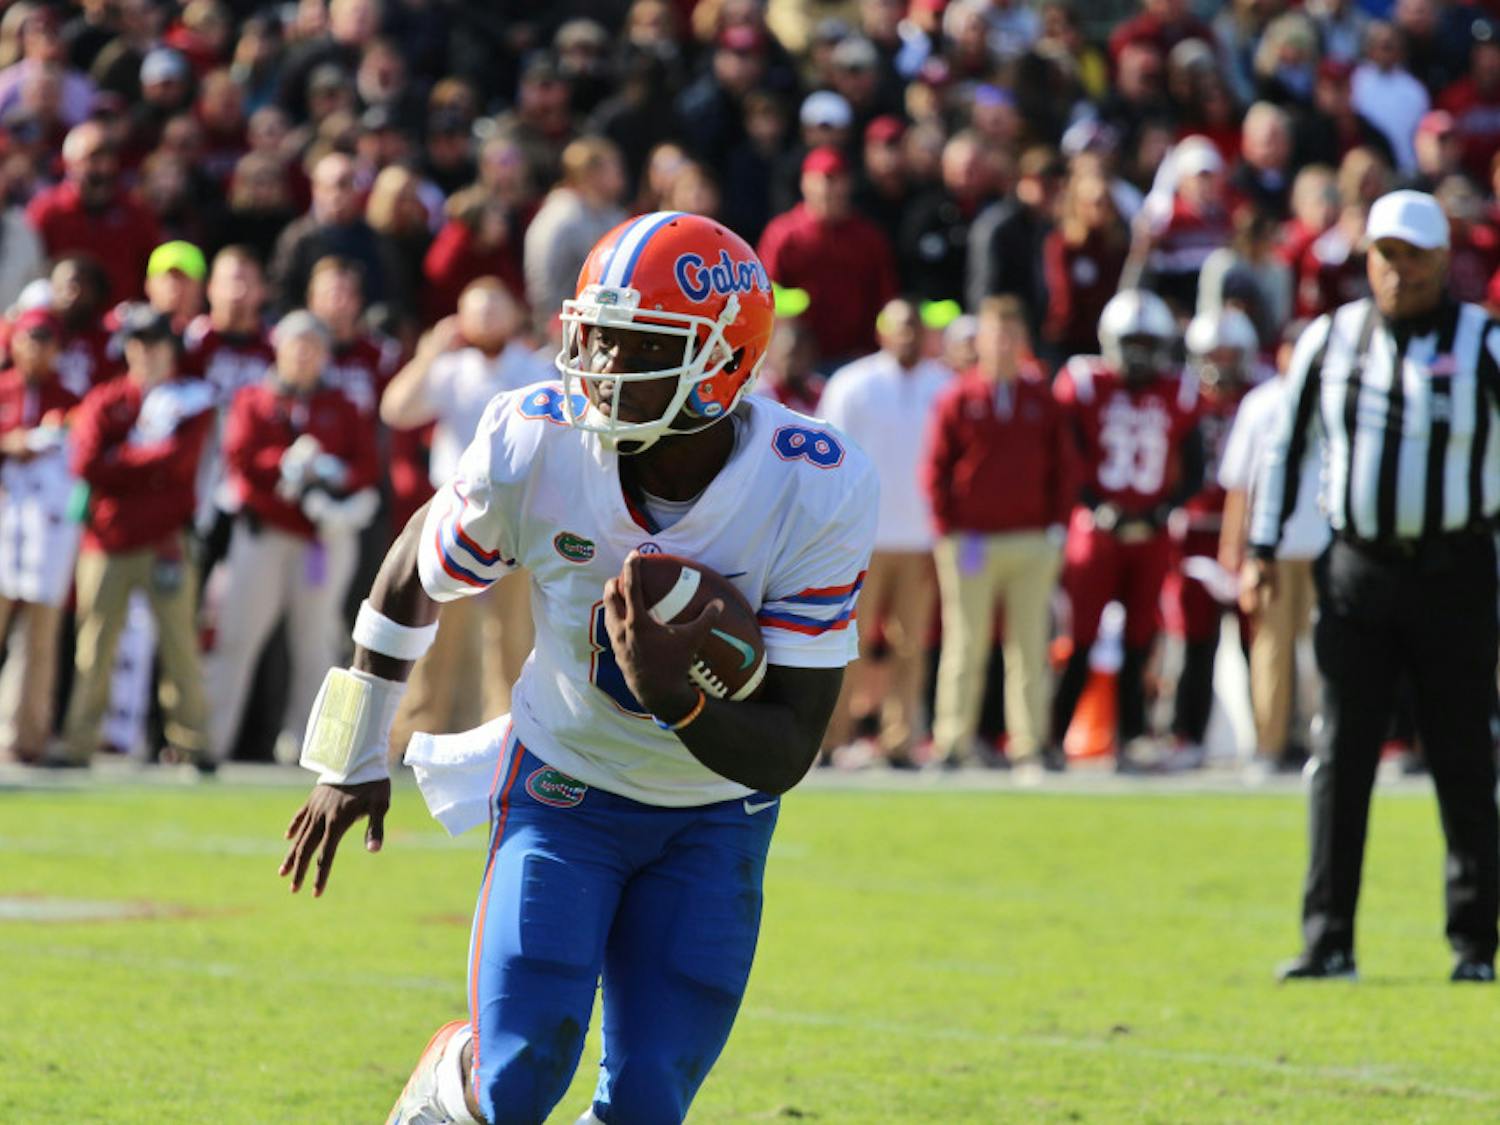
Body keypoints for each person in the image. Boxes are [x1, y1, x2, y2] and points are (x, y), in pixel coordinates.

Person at [276, 213, 876, 1124]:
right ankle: (449, 1077)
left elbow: (788, 745)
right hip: (565, 786)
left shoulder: (815, 483)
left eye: (632, 343)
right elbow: (412, 570)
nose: (595, 363)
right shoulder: (537, 438)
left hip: (715, 817)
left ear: (719, 363)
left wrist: (677, 700)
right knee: (518, 1077)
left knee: (647, 1099)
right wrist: (352, 749)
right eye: (591, 332)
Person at [1246, 189, 1500, 983]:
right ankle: (1329, 939)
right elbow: (1286, 446)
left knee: (1461, 756)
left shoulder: (1484, 339)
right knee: (1340, 753)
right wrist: (1261, 545)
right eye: (1386, 255)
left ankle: (1474, 944)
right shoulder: (1333, 337)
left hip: (1455, 569)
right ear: (1369, 260)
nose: (1398, 272)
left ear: (1442, 261)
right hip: (1357, 571)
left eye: (1413, 257)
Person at [203, 311, 379, 767]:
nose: (303, 355)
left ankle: (311, 748)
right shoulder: (254, 399)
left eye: (313, 347)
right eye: (295, 345)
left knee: (317, 644)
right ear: (278, 350)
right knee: (236, 638)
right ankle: (209, 741)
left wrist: (330, 478)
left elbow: (364, 465)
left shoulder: (340, 405)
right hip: (263, 534)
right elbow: (240, 458)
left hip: (320, 538)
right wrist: (285, 464)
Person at [380, 278, 549, 746]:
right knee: (435, 633)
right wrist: (428, 353)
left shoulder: (537, 370)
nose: (488, 316)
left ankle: (510, 735)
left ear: (516, 313)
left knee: (514, 635)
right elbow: (396, 409)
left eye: (497, 305)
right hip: (456, 513)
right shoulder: (451, 368)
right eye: (478, 307)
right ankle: (414, 735)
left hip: (518, 515)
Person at [1051, 289, 1203, 770]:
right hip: (1096, 529)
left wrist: (1162, 512)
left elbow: (1195, 465)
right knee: (1080, 636)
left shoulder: (1178, 389)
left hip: (1151, 533)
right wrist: (1095, 506)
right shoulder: (1084, 381)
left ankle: (1133, 735)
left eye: (1146, 341)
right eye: (1130, 341)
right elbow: (1066, 453)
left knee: (1142, 636)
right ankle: (1055, 735)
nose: (1138, 352)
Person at [921, 296, 1074, 772]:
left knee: (1029, 646)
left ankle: (1029, 743)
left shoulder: (1040, 399)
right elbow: (935, 468)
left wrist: (1056, 525)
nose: (1002, 345)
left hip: (1029, 539)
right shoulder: (959, 397)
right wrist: (948, 528)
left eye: (1010, 335)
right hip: (972, 541)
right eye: (994, 335)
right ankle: (952, 740)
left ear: (1023, 342)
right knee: (965, 643)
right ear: (979, 341)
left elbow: (1065, 467)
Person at [60, 304, 215, 767]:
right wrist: (143, 458)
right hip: (107, 542)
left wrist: (119, 458)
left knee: (179, 646)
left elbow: (180, 462)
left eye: (155, 343)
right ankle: (78, 743)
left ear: (171, 350)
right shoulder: (106, 399)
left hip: (166, 539)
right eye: (137, 342)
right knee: (94, 645)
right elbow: (84, 462)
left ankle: (193, 744)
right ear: (127, 349)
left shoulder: (192, 400)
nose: (146, 352)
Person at [819, 297, 950, 767]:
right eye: (901, 327)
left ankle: (899, 741)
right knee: (842, 642)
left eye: (916, 327)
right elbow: (826, 458)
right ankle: (832, 736)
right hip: (861, 540)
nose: (909, 336)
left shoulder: (944, 384)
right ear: (883, 332)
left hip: (920, 540)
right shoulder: (853, 384)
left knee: (911, 645)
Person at [1218, 319, 1330, 774]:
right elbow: (1240, 483)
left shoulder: (1336, 397)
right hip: (1274, 548)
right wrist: (1235, 546)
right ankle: (1269, 744)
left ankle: (1326, 739)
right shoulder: (1261, 404)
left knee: (1328, 651)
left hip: (1327, 545)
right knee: (1272, 649)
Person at [1162, 307, 1259, 765]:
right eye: (1212, 353)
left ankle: (1269, 734)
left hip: (1248, 533)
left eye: (1228, 353)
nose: (1220, 363)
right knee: (1194, 640)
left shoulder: (1257, 400)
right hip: (1196, 531)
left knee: (1254, 641)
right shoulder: (1182, 400)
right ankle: (1187, 734)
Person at [0, 308, 80, 763]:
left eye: (46, 340)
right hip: (4, 521)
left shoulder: (68, 398)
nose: (36, 347)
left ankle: (24, 737)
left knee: (39, 637)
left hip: (47, 534)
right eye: (29, 338)